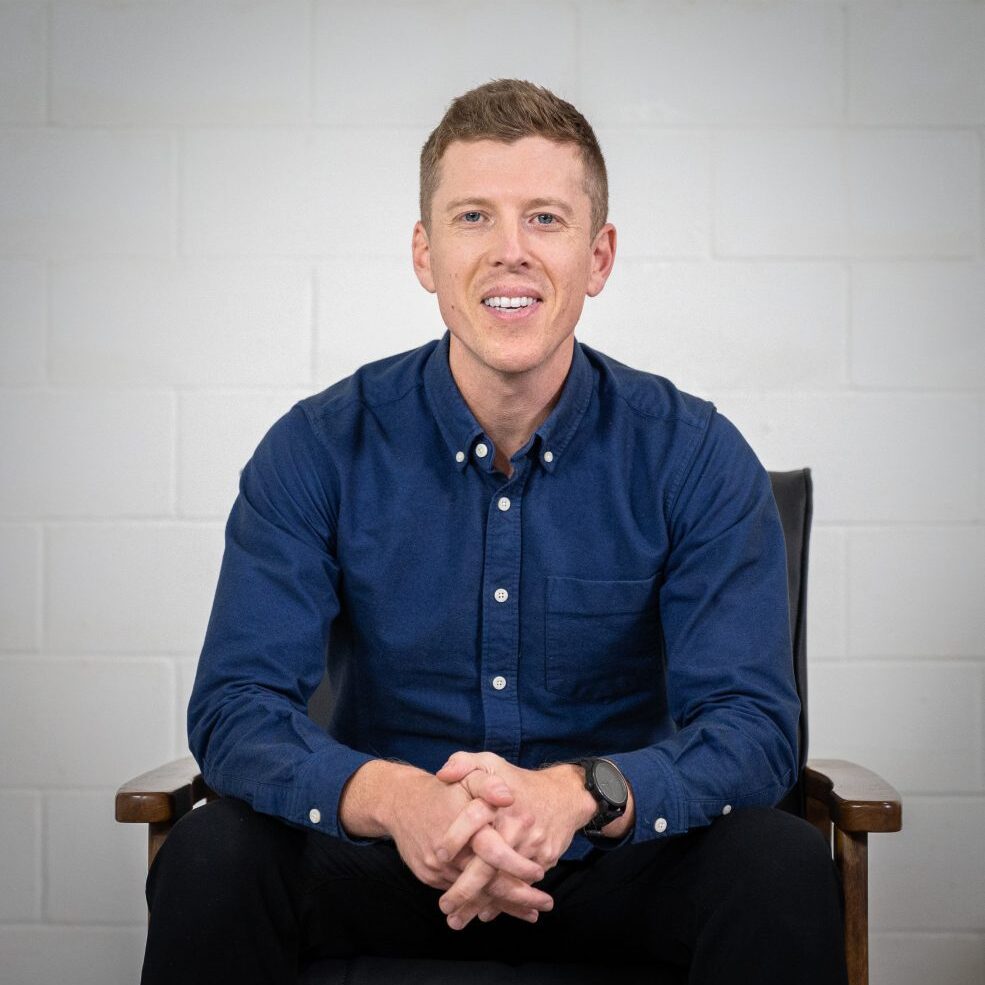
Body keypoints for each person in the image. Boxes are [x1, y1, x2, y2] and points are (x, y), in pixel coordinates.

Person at [141, 79, 848, 984]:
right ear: (424, 252)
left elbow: (753, 727)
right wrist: (397, 798)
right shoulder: (316, 449)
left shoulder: (695, 456)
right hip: (387, 856)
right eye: (473, 217)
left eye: (545, 219)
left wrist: (577, 793)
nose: (510, 251)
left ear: (598, 256)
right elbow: (236, 705)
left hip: (614, 860)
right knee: (210, 855)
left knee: (779, 865)